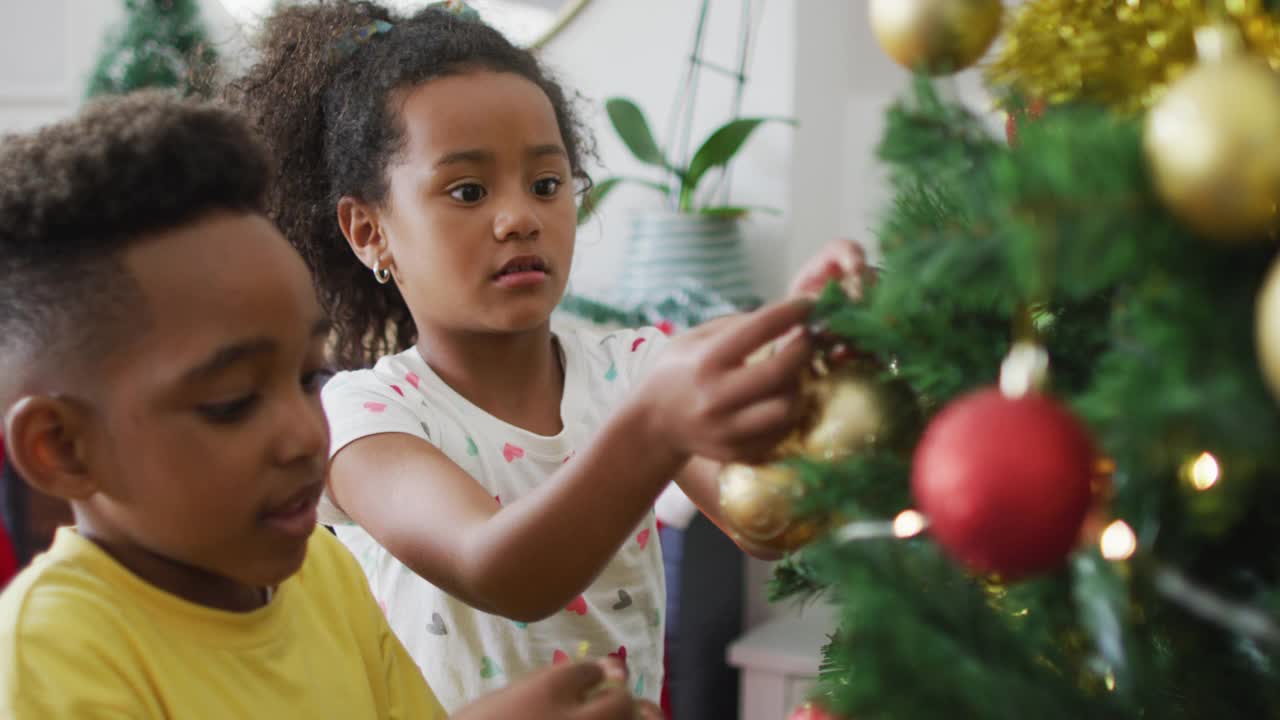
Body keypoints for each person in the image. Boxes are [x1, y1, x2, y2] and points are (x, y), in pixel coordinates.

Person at [229, 1, 867, 711]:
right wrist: (654, 428)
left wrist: (814, 350)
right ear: (368, 230)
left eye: (546, 184)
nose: (520, 217)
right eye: (468, 191)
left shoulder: (633, 369)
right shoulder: (363, 418)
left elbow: (769, 519)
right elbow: (501, 570)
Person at [0, 90, 659, 720]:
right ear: (60, 447)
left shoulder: (324, 574)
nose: (302, 435)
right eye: (231, 403)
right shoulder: (51, 651)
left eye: (308, 378)